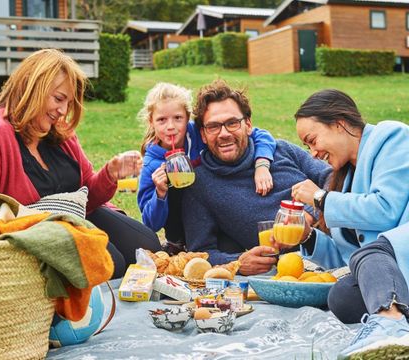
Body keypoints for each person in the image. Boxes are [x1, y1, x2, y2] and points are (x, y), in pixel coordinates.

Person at [0, 48, 161, 279]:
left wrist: (109, 174)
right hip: (31, 235)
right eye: (59, 99)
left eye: (68, 102)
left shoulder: (60, 133)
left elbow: (88, 197)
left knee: (146, 246)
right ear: (34, 87)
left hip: (75, 217)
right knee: (109, 262)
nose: (63, 111)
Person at [289, 89, 409, 358]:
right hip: (391, 269)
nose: (313, 153)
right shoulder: (345, 178)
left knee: (373, 253)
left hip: (402, 250)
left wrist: (320, 198)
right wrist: (307, 236)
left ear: (339, 123)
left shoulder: (390, 138)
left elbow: (386, 209)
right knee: (341, 296)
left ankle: (391, 325)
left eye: (312, 140)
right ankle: (393, 317)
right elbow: (351, 257)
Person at [181, 79, 331, 275]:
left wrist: (310, 212)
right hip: (293, 269)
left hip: (336, 239)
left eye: (232, 123)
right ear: (202, 134)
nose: (224, 133)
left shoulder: (281, 149)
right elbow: (200, 251)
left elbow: (334, 176)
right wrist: (237, 262)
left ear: (248, 125)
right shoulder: (199, 183)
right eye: (213, 127)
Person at [137, 82, 277, 255]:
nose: (171, 126)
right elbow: (150, 223)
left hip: (218, 211)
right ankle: (177, 244)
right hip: (183, 227)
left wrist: (262, 165)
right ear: (151, 122)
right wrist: (160, 193)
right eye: (161, 120)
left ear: (187, 117)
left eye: (178, 118)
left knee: (230, 249)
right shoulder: (151, 164)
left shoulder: (199, 132)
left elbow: (261, 135)